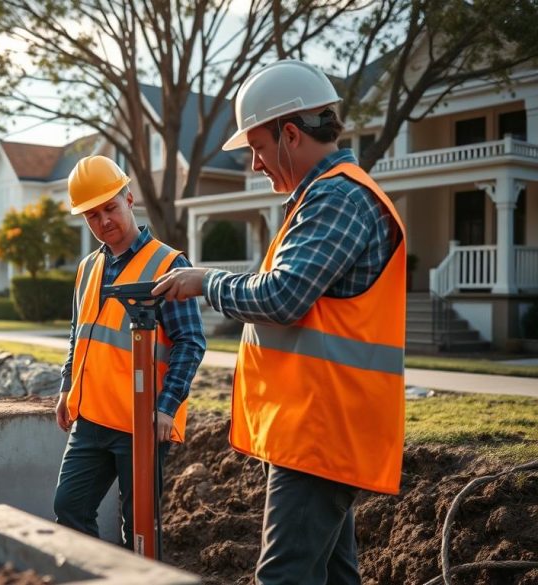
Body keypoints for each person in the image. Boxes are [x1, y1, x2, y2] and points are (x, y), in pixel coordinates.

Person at [152, 59, 406, 584]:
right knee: (335, 576)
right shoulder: (320, 198)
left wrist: (206, 282)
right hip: (317, 428)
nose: (253, 164)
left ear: (291, 135)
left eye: (258, 148)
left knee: (283, 577)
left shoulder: (336, 197)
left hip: (323, 430)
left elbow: (283, 297)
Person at [53, 155, 205, 550]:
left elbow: (191, 342)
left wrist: (166, 408)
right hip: (90, 418)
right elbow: (78, 334)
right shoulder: (88, 268)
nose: (103, 221)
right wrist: (66, 387)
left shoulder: (169, 264)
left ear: (129, 198)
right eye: (91, 215)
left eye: (110, 208)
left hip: (141, 422)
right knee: (68, 508)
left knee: (138, 533)